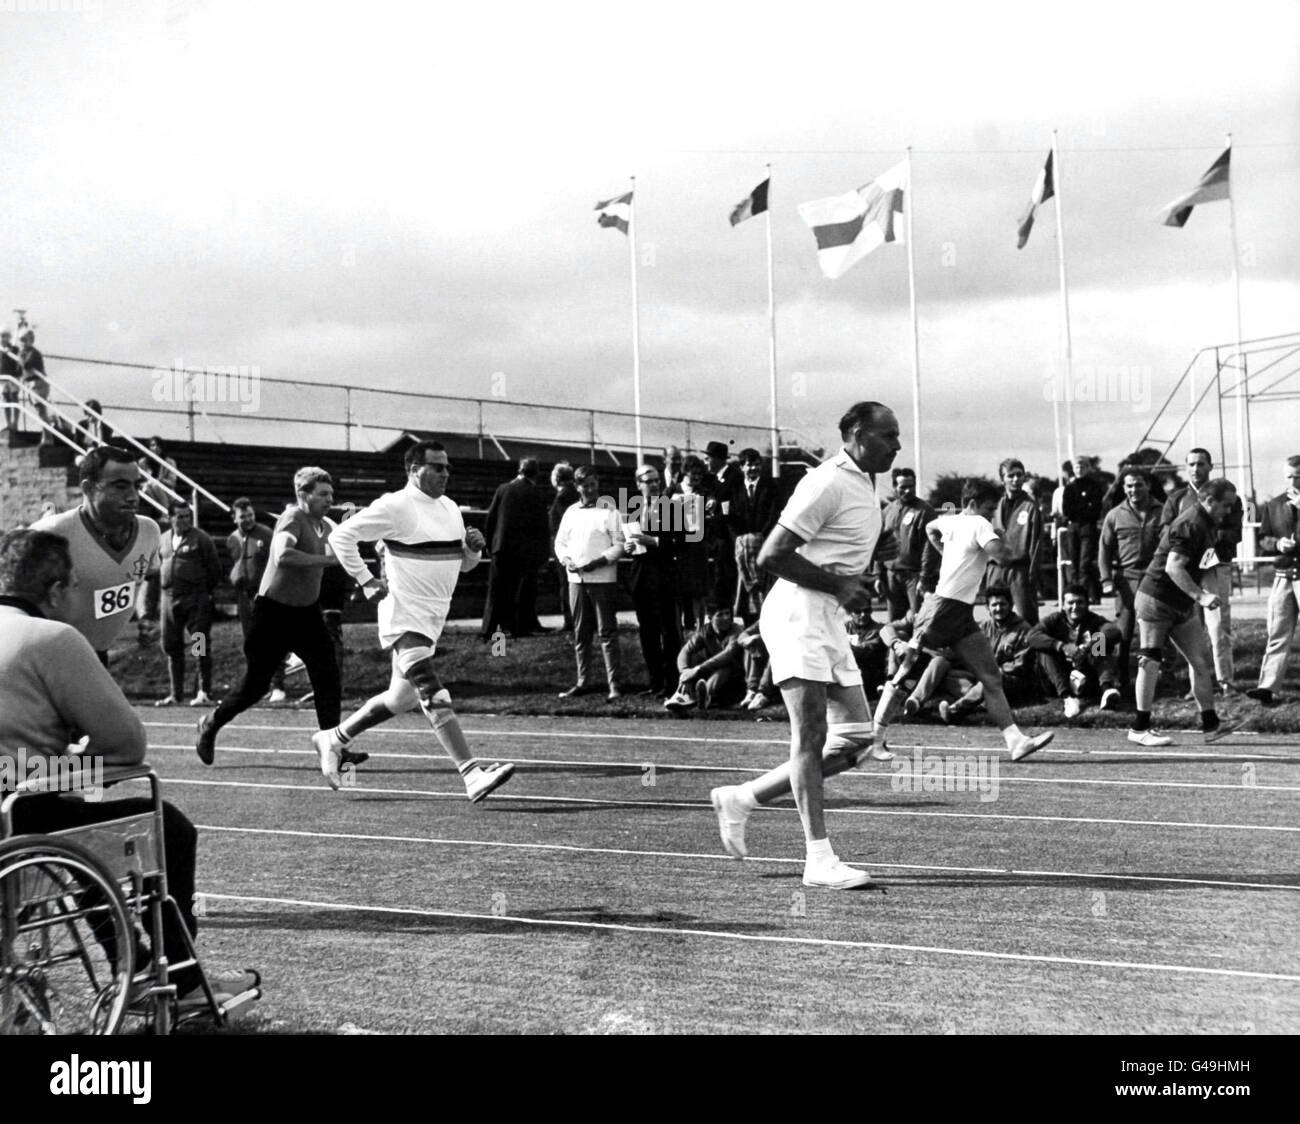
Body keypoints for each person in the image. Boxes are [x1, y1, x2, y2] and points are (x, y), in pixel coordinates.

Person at [0, 529, 258, 1009]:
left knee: (74, 825)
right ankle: (177, 979)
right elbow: (126, 745)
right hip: (19, 819)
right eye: (76, 587)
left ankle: (134, 964)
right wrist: (69, 769)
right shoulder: (50, 638)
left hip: (15, 805)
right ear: (56, 590)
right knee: (167, 827)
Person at [709, 401, 904, 891]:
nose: (898, 446)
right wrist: (840, 585)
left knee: (857, 739)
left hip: (827, 621)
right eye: (889, 436)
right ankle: (818, 860)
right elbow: (769, 555)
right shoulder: (825, 480)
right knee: (811, 736)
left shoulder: (864, 484)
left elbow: (835, 544)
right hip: (797, 615)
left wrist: (874, 549)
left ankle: (742, 798)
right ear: (858, 434)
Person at [315, 440, 514, 800]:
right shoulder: (396, 505)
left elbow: (464, 565)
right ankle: (471, 774)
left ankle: (334, 738)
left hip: (433, 618)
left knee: (399, 698)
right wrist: (365, 579)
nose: (445, 473)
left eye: (447, 467)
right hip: (403, 615)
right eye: (437, 467)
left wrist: (472, 549)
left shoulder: (451, 508)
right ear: (413, 470)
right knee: (431, 689)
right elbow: (342, 535)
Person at [874, 478, 1054, 761]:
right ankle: (874, 738)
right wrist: (1006, 536)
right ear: (972, 504)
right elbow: (1003, 556)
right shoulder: (979, 524)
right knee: (906, 671)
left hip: (961, 613)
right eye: (988, 507)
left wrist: (945, 552)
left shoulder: (950, 520)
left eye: (994, 508)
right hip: (942, 608)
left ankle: (1015, 740)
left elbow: (931, 528)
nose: (992, 512)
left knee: (992, 677)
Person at [195, 467, 344, 766]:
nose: (330, 499)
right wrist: (328, 560)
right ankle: (211, 722)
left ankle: (333, 747)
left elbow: (344, 552)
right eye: (323, 494)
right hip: (273, 613)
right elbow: (283, 556)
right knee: (256, 685)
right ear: (303, 494)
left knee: (327, 674)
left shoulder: (326, 526)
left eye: (331, 494)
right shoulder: (292, 518)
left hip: (306, 613)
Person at [1129, 478, 1244, 746]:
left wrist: (1210, 590)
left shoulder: (1208, 523)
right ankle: (1139, 728)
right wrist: (1201, 596)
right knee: (1150, 660)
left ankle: (1211, 723)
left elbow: (1204, 563)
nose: (1228, 511)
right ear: (1209, 500)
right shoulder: (1190, 522)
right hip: (1156, 599)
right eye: (1225, 505)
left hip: (1180, 603)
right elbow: (1174, 567)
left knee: (1200, 661)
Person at [31, 446, 161, 666]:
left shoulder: (149, 531)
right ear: (89, 488)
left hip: (97, 656)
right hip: (45, 660)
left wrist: (147, 616)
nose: (132, 497)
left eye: (136, 486)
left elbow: (150, 575)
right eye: (120, 487)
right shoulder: (49, 534)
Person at [1160, 448, 1243, 693]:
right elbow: (1167, 532)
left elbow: (1234, 533)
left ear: (1210, 466)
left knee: (1218, 625)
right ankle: (1195, 683)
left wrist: (1204, 539)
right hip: (1186, 570)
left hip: (1215, 565)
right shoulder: (1176, 499)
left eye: (1201, 464)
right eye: (1191, 464)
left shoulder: (1230, 497)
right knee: (1188, 626)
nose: (1196, 469)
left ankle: (1225, 681)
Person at [553, 464, 626, 701]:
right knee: (580, 634)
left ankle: (614, 685)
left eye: (594, 484)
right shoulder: (571, 512)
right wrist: (566, 560)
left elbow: (619, 544)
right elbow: (560, 543)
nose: (590, 489)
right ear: (577, 487)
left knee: (607, 633)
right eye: (585, 485)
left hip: (603, 579)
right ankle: (583, 681)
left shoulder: (610, 510)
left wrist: (599, 561)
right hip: (576, 580)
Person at [1099, 468, 1163, 691]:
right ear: (1124, 488)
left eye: (1138, 485)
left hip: (1155, 578)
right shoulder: (1115, 515)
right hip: (1127, 579)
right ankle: (1123, 678)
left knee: (1158, 629)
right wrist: (1106, 579)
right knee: (1123, 632)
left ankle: (1162, 677)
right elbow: (1104, 550)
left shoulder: (1162, 512)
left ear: (1148, 485)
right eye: (1129, 486)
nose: (1134, 490)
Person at [938, 585, 1040, 722]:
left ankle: (955, 710)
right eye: (994, 605)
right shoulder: (984, 627)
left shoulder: (1023, 629)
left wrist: (995, 671)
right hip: (984, 676)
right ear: (987, 608)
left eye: (1002, 604)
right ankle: (983, 702)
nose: (998, 609)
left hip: (1011, 680)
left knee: (992, 678)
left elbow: (1020, 664)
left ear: (1011, 605)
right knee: (948, 675)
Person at [155, 501, 221, 707]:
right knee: (171, 645)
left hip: (196, 598)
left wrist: (204, 592)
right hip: (169, 598)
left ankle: (204, 691)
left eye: (187, 516)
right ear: (170, 518)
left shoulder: (201, 538)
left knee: (199, 644)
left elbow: (215, 569)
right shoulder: (163, 540)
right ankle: (176, 694)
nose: (184, 520)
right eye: (180, 516)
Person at [1246, 455, 1300, 706]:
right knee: (1277, 631)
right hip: (1283, 575)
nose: (1293, 480)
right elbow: (1264, 539)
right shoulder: (1275, 504)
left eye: (1297, 475)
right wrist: (1278, 544)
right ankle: (1267, 686)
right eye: (1289, 475)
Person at [625, 462, 681, 697]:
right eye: (649, 481)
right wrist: (629, 546)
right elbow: (631, 540)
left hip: (664, 577)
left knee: (669, 633)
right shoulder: (634, 508)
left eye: (657, 480)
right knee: (647, 633)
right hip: (641, 578)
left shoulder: (671, 508)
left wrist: (654, 541)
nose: (655, 485)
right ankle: (655, 682)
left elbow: (680, 543)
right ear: (639, 485)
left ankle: (672, 684)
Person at [481, 457, 551, 640]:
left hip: (501, 547)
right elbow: (542, 526)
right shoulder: (536, 492)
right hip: (525, 551)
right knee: (522, 591)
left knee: (496, 591)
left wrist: (489, 544)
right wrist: (544, 553)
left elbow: (491, 518)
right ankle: (518, 628)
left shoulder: (502, 489)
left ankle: (488, 630)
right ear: (535, 474)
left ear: (519, 471)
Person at [227, 498, 288, 703]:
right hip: (244, 597)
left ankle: (278, 685)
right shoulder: (232, 539)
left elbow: (279, 563)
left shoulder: (266, 535)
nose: (247, 519)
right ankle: (258, 685)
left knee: (272, 640)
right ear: (234, 518)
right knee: (252, 642)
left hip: (265, 595)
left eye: (250, 515)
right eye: (242, 516)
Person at [1029, 585, 1122, 717]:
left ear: (1087, 604)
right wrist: (1061, 646)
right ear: (1063, 605)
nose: (1075, 607)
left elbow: (1113, 631)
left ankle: (1107, 689)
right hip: (1060, 677)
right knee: (1043, 650)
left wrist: (1087, 646)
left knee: (1101, 642)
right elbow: (1032, 636)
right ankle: (1068, 699)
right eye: (1070, 603)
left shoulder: (1094, 619)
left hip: (1087, 676)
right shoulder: (1054, 620)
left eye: (1080, 602)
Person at [664, 606, 754, 711]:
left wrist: (697, 669)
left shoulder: (736, 630)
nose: (726, 617)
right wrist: (685, 672)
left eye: (728, 613)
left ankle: (704, 695)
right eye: (720, 615)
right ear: (710, 617)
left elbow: (727, 655)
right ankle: (683, 696)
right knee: (693, 659)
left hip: (735, 675)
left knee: (724, 667)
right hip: (712, 670)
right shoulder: (705, 631)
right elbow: (685, 651)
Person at [877, 466, 938, 620]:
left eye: (911, 486)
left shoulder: (925, 511)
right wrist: (878, 575)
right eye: (903, 487)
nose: (908, 491)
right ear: (894, 488)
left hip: (915, 576)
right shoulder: (887, 511)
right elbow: (879, 543)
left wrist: (924, 577)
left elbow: (929, 546)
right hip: (892, 576)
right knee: (894, 623)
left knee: (917, 620)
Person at [989, 457, 1043, 624]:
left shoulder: (1030, 506)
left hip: (1019, 569)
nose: (1015, 479)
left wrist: (1033, 573)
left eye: (1019, 475)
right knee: (996, 615)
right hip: (995, 568)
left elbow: (1037, 543)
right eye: (1010, 475)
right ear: (1002, 479)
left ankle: (1033, 649)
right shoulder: (994, 505)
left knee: (1026, 616)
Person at [728, 448, 779, 622]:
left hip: (764, 545)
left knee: (766, 591)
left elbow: (773, 516)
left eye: (757, 465)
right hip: (742, 549)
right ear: (742, 467)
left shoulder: (771, 487)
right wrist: (740, 539)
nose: (754, 469)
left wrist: (760, 538)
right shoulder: (734, 488)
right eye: (749, 465)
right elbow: (731, 517)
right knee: (746, 593)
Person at [1062, 455, 1105, 601]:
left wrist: (1082, 510)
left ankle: (1086, 595)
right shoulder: (1069, 488)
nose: (1079, 470)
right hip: (1073, 527)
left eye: (1082, 467)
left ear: (1088, 468)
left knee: (1085, 564)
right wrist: (1084, 507)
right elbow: (1067, 510)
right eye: (1076, 467)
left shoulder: (1094, 486)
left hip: (1088, 527)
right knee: (1073, 564)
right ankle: (1075, 594)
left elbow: (1096, 509)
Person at [548, 462, 580, 632]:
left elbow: (562, 524)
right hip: (573, 544)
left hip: (565, 547)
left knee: (566, 584)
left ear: (556, 478)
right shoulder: (573, 493)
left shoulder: (562, 497)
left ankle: (570, 620)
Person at [2, 328, 23, 432]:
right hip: (3, 378)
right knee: (6, 399)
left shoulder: (14, 349)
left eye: (4, 336)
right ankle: (8, 423)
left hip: (13, 377)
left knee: (14, 398)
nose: (2, 339)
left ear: (8, 338)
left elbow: (18, 361)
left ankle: (15, 423)